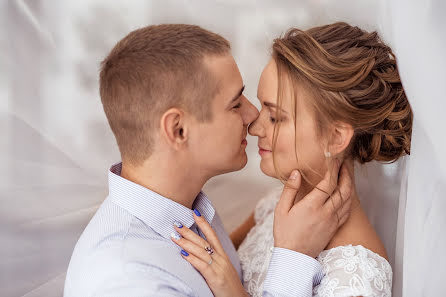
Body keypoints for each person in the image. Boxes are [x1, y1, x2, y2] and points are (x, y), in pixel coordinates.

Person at [63, 24, 353, 297]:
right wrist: (293, 257)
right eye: (235, 104)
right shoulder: (130, 280)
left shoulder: (188, 211)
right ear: (178, 129)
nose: (252, 117)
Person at [175, 22, 412, 296]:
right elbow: (215, 267)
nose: (254, 127)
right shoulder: (275, 204)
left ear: (336, 137)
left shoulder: (356, 274)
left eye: (275, 117)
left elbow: (224, 279)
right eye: (262, 107)